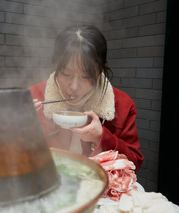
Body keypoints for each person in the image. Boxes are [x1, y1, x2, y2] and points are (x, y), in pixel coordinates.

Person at [29, 25, 143, 171]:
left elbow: (134, 165)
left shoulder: (122, 104)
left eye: (85, 76)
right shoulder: (35, 96)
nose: (74, 86)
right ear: (55, 66)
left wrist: (101, 136)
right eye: (66, 74)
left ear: (101, 70)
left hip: (100, 187)